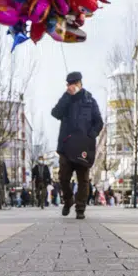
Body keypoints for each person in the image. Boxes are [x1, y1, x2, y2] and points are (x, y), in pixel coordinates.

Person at [51, 71, 103, 219]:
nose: (72, 86)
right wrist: (67, 96)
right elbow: (55, 113)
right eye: (69, 84)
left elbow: (99, 122)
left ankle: (80, 208)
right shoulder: (66, 99)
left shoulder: (90, 101)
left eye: (74, 83)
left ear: (80, 83)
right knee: (63, 178)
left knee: (83, 180)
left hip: (83, 147)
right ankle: (68, 201)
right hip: (66, 146)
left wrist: (90, 135)